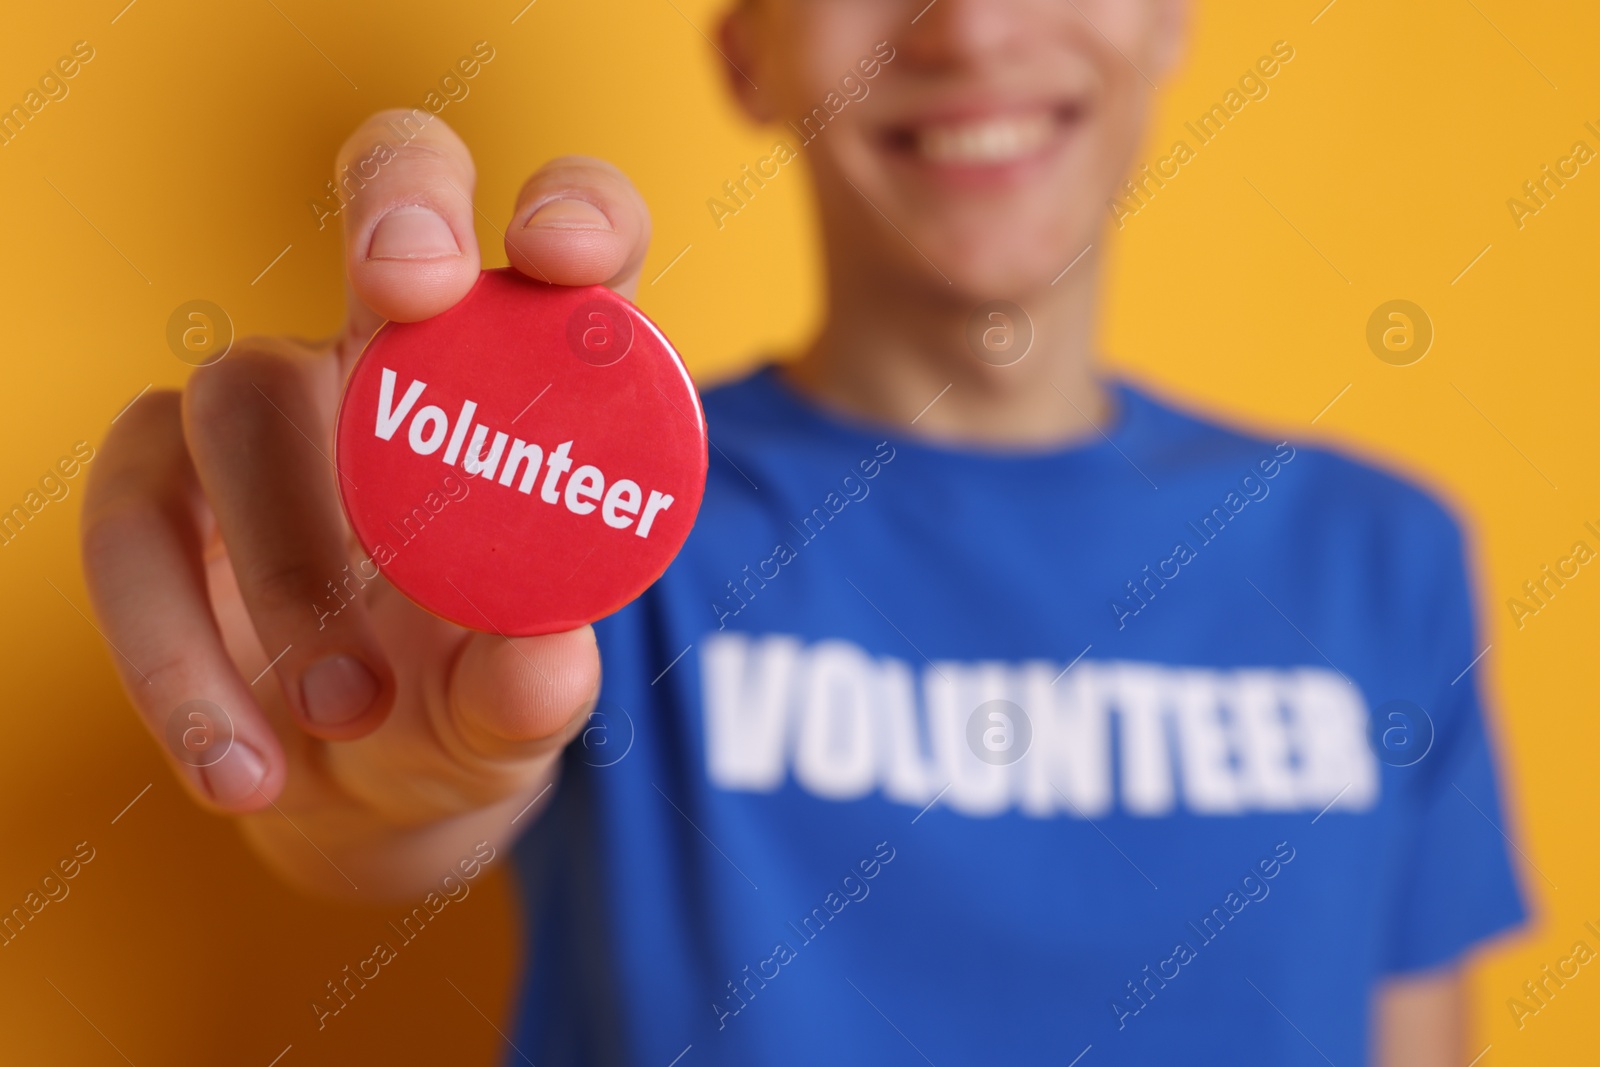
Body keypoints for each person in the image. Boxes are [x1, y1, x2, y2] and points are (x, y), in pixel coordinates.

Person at [80, 0, 1525, 1063]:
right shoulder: (598, 534)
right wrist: (358, 732)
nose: (965, 25)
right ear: (744, 49)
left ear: (1169, 17)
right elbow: (401, 806)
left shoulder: (1378, 558)